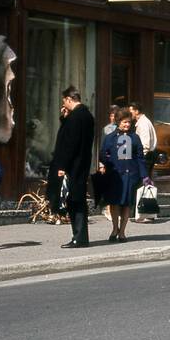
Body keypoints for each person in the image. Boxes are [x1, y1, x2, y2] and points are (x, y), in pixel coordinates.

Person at [48, 86, 95, 249]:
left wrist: (63, 166)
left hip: (73, 167)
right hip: (81, 165)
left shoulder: (76, 117)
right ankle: (79, 236)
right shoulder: (86, 115)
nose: (64, 105)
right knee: (76, 199)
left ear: (69, 99)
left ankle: (79, 237)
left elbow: (70, 144)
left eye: (64, 102)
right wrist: (64, 118)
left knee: (75, 201)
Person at [98, 108, 150, 243]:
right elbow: (103, 154)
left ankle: (122, 232)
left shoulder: (135, 138)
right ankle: (114, 229)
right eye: (124, 122)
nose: (127, 125)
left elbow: (140, 158)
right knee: (114, 203)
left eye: (128, 122)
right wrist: (108, 162)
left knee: (126, 204)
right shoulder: (110, 137)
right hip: (114, 175)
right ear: (118, 122)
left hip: (130, 175)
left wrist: (144, 176)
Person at [129, 100, 159, 222]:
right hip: (145, 156)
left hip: (145, 157)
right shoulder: (141, 123)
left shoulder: (143, 124)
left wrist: (140, 158)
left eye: (131, 111)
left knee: (143, 184)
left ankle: (145, 212)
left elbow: (145, 144)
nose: (130, 113)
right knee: (144, 184)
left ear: (136, 111)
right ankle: (143, 212)